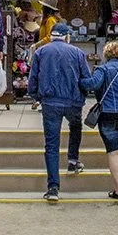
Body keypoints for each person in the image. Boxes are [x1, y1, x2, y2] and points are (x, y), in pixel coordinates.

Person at [28, 22, 91, 202]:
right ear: (67, 36)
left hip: (50, 102)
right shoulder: (77, 53)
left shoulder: (41, 52)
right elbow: (85, 78)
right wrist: (83, 93)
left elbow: (33, 79)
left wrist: (37, 96)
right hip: (73, 100)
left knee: (51, 145)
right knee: (76, 126)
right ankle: (72, 160)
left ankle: (53, 187)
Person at [80, 40, 118, 199]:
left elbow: (92, 85)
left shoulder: (102, 70)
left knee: (113, 150)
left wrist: (79, 80)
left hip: (108, 113)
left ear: (106, 54)